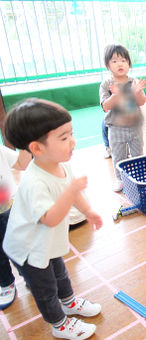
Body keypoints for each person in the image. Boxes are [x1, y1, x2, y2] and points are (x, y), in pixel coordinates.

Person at [2, 98, 103, 339]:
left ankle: (68, 302)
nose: (73, 141)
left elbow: (74, 191)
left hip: (46, 243)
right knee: (45, 289)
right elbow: (50, 218)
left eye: (72, 133)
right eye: (64, 137)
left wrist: (88, 211)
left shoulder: (60, 165)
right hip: (29, 249)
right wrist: (70, 192)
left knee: (60, 274)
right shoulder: (33, 182)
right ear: (37, 148)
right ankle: (59, 324)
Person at [99, 44, 146, 192]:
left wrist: (137, 92)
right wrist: (116, 95)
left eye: (123, 60)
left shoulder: (133, 81)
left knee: (138, 153)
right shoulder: (106, 84)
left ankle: (139, 175)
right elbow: (106, 106)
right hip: (116, 127)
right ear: (108, 65)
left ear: (129, 64)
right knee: (119, 155)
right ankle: (119, 178)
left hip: (135, 125)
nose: (120, 64)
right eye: (114, 61)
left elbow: (141, 102)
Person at [0, 146, 31, 310]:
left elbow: (21, 163)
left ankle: (29, 276)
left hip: (9, 208)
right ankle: (6, 283)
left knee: (20, 246)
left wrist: (26, 140)